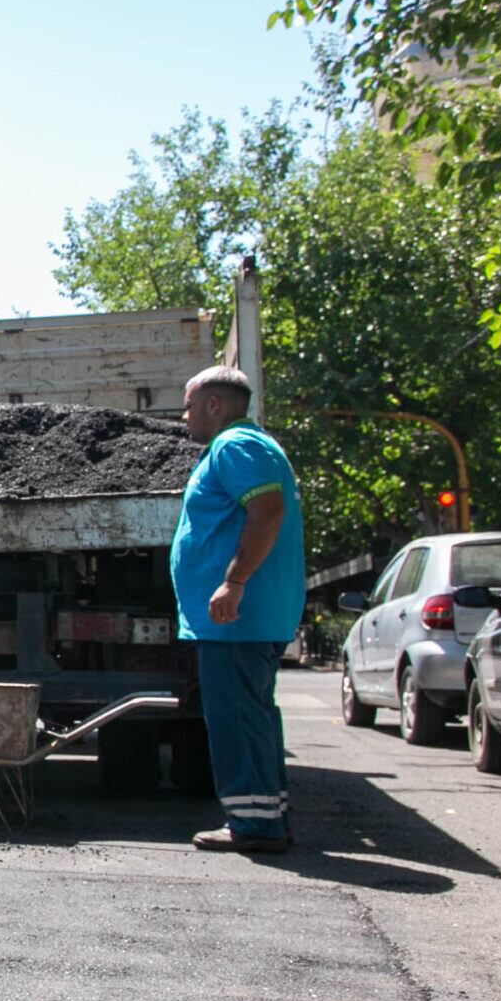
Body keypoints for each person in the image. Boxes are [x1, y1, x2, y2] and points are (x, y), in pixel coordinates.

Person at [171, 365, 305, 854]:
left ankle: (255, 826)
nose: (184, 417)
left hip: (238, 618)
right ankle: (266, 815)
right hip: (248, 617)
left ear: (213, 404)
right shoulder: (250, 446)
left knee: (237, 717)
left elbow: (267, 509)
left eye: (188, 406)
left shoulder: (235, 446)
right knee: (252, 713)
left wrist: (233, 581)